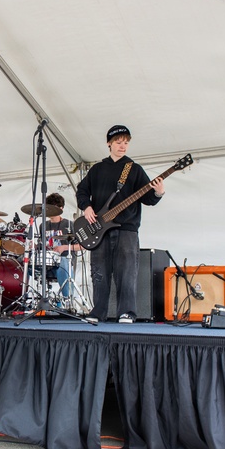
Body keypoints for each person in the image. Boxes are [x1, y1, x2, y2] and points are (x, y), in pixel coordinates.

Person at [76, 125, 164, 323]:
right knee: (99, 272)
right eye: (118, 142)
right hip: (99, 229)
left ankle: (127, 312)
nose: (123, 146)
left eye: (126, 142)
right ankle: (98, 312)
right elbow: (82, 190)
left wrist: (158, 192)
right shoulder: (97, 169)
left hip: (127, 229)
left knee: (127, 273)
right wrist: (87, 207)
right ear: (109, 143)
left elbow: (148, 199)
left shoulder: (134, 169)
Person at [33, 193, 81, 305]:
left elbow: (81, 246)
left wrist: (64, 247)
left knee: (63, 262)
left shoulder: (70, 224)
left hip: (64, 263)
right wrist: (35, 247)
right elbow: (42, 245)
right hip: (46, 263)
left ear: (61, 208)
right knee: (25, 263)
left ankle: (67, 301)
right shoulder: (42, 225)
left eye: (53, 208)